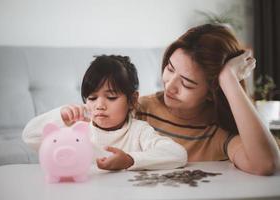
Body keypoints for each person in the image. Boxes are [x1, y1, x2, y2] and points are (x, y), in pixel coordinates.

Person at [42, 24, 279, 176]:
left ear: (211, 91)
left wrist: (229, 79)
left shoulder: (218, 134)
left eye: (187, 83)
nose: (170, 85)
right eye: (169, 68)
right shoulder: (137, 109)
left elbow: (265, 165)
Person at [23, 55, 187, 171]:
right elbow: (30, 137)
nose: (99, 106)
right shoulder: (78, 129)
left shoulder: (139, 132)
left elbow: (178, 154)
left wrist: (130, 160)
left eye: (111, 97)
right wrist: (61, 116)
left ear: (132, 100)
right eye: (92, 97)